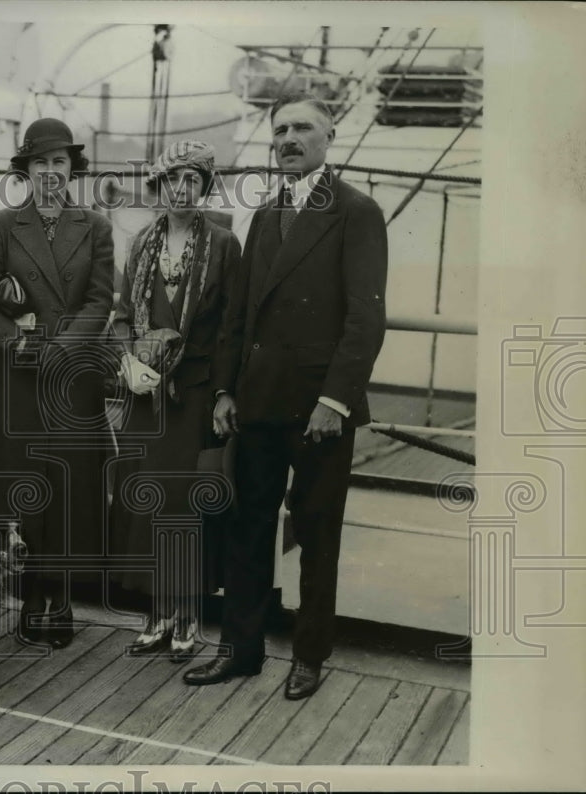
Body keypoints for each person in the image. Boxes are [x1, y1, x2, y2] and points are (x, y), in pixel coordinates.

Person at [183, 93, 387, 699]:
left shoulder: (356, 212)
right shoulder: (266, 216)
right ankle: (241, 651)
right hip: (260, 401)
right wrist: (224, 389)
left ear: (330, 136)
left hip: (321, 408)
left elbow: (365, 319)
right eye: (281, 130)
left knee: (318, 535)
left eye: (303, 128)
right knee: (248, 530)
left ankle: (309, 655)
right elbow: (239, 317)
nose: (289, 139)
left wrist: (337, 401)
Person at [0, 118, 115, 649]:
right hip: (12, 377)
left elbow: (100, 300)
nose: (51, 173)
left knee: (67, 488)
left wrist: (60, 349)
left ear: (72, 169)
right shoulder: (1, 225)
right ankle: (19, 596)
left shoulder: (95, 226)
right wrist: (13, 340)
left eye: (59, 163)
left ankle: (57, 596)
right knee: (14, 486)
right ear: (25, 170)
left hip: (69, 377)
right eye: (40, 163)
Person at [108, 140, 241, 663]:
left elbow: (233, 327)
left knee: (184, 505)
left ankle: (186, 615)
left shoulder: (225, 245)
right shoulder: (140, 243)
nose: (181, 190)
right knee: (145, 503)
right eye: (171, 181)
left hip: (196, 394)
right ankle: (154, 614)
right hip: (146, 395)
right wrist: (129, 362)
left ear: (204, 188)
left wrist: (223, 393)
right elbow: (122, 315)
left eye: (192, 181)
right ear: (158, 187)